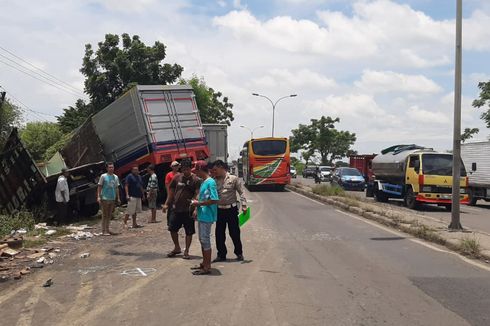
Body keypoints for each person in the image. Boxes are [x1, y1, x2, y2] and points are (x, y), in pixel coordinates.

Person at [163, 160, 200, 259]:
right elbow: (171, 193)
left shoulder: (195, 180)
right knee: (172, 228)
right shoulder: (176, 178)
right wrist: (166, 204)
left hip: (188, 210)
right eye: (183, 169)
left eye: (187, 169)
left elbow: (197, 195)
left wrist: (195, 208)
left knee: (189, 231)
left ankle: (187, 250)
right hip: (176, 209)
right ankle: (177, 247)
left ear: (190, 168)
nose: (185, 171)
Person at [212, 160, 247, 262]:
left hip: (231, 210)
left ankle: (239, 253)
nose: (214, 172)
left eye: (216, 170)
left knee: (235, 233)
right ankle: (221, 255)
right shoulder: (214, 180)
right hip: (219, 211)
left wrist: (244, 205)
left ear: (221, 168)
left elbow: (241, 192)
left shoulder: (233, 179)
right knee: (219, 234)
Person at [190, 161, 219, 275]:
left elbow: (214, 199)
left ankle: (207, 267)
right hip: (203, 215)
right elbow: (202, 197)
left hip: (207, 216)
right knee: (202, 240)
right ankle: (204, 263)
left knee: (205, 240)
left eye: (196, 171)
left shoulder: (210, 182)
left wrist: (199, 204)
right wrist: (197, 208)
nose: (195, 173)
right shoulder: (204, 182)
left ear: (201, 169)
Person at [97, 162, 120, 235]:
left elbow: (116, 188)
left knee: (110, 214)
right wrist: (98, 196)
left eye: (112, 167)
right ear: (107, 168)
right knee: (105, 214)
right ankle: (103, 230)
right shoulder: (103, 176)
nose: (111, 169)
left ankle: (107, 229)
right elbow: (99, 186)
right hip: (105, 197)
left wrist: (118, 198)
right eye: (110, 167)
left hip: (112, 197)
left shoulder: (115, 177)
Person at [164, 161, 181, 226]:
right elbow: (167, 184)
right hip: (171, 193)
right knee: (170, 208)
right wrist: (169, 194)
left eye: (177, 165)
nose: (177, 167)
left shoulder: (179, 174)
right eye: (175, 166)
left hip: (178, 194)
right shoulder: (169, 175)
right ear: (172, 167)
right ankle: (169, 222)